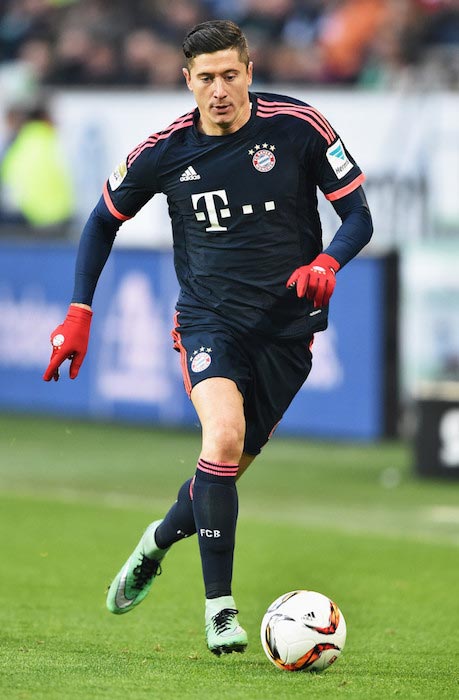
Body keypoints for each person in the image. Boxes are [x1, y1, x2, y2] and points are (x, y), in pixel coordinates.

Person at [43, 20, 373, 655]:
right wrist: (79, 312)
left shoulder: (300, 127)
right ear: (186, 80)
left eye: (229, 75)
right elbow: (102, 220)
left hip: (286, 333)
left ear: (248, 71)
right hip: (208, 320)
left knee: (219, 476)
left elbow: (358, 214)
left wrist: (328, 263)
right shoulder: (165, 150)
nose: (218, 90)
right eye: (205, 79)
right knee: (220, 438)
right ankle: (220, 612)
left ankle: (156, 543)